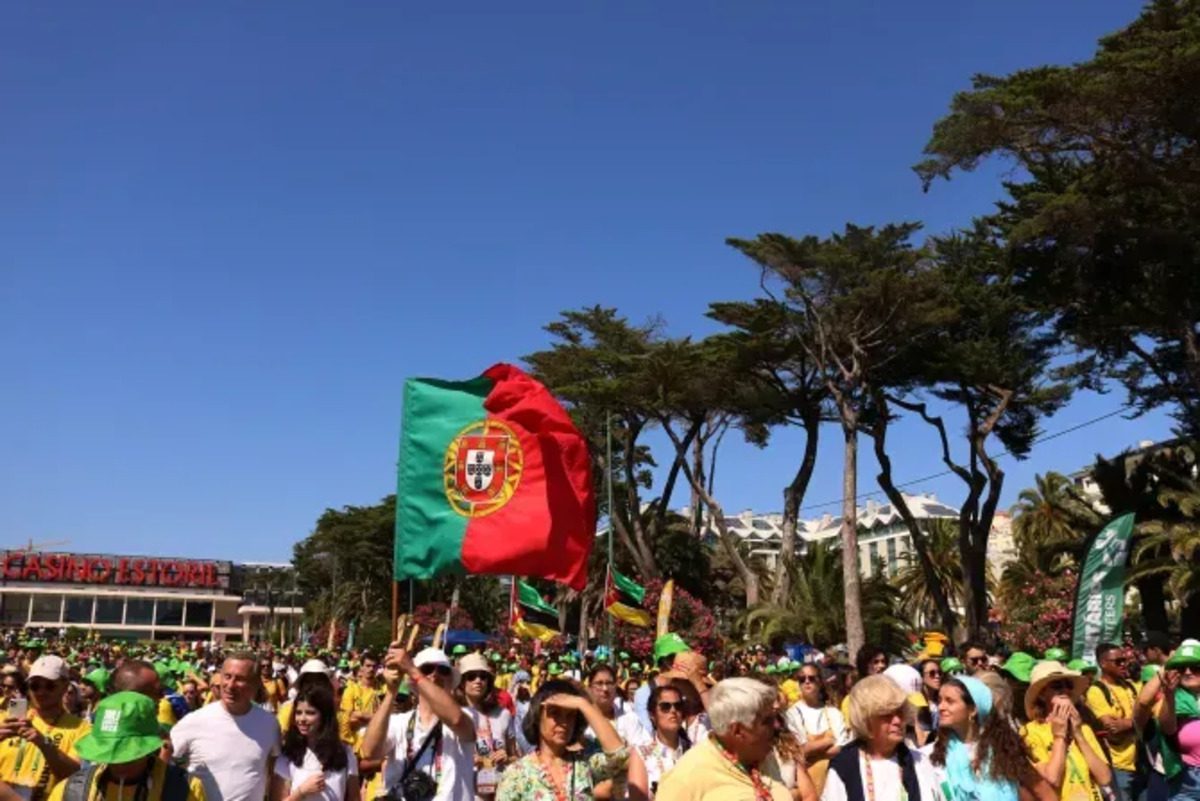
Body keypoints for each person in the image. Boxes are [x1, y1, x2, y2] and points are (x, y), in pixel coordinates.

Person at [361, 646, 475, 801]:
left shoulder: (468, 715)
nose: (435, 674)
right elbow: (369, 752)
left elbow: (456, 720)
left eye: (443, 670)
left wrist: (412, 670)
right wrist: (391, 693)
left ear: (451, 681)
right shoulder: (399, 722)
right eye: (427, 669)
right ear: (413, 683)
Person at [49, 691, 209, 801]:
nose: (119, 761)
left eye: (127, 753)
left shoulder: (183, 789)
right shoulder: (70, 792)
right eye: (110, 751)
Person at [654, 677, 792, 801]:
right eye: (767, 720)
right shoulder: (686, 777)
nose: (777, 725)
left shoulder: (764, 755)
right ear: (738, 731)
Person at [171, 652, 282, 801]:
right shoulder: (194, 721)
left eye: (240, 679)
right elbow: (165, 762)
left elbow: (272, 772)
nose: (230, 685)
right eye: (227, 676)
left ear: (255, 683)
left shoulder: (269, 723)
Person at [495, 679, 628, 801]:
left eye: (570, 715)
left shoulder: (585, 764)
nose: (564, 722)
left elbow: (620, 756)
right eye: (554, 713)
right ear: (537, 716)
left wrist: (583, 704)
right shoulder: (516, 774)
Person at [925, 675, 1053, 801]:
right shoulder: (934, 755)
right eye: (939, 700)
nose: (941, 707)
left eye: (949, 701)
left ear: (972, 710)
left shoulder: (1003, 749)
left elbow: (1046, 794)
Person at [820, 674, 933, 801]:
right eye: (886, 714)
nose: (897, 720)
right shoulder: (845, 765)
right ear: (866, 720)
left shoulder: (919, 761)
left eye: (900, 712)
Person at [0, 655, 90, 801]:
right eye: (35, 686)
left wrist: (44, 743)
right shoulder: (7, 718)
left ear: (65, 686)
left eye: (49, 685)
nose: (41, 692)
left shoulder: (82, 728)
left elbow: (74, 777)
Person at [1021, 661, 1112, 801]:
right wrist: (1060, 736)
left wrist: (1078, 734)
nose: (1065, 690)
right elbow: (1052, 779)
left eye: (1068, 685)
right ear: (1041, 694)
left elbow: (1105, 778)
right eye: (1057, 686)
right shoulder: (1030, 732)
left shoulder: (1084, 729)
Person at [271, 683, 359, 801]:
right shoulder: (288, 755)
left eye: (310, 713)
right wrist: (301, 792)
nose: (302, 719)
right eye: (298, 712)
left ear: (324, 716)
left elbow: (354, 798)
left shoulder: (345, 753)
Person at [1084, 643, 1141, 800]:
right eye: (1118, 661)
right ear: (1103, 664)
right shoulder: (1096, 691)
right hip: (1118, 765)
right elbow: (1113, 728)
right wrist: (1137, 722)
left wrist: (1128, 724)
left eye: (1125, 660)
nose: (1123, 664)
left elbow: (1148, 717)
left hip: (1141, 762)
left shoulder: (1131, 686)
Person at [784, 664, 849, 796]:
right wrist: (828, 741)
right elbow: (799, 752)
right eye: (802, 679)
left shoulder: (833, 712)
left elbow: (842, 748)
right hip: (807, 785)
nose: (807, 682)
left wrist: (811, 751)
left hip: (834, 783)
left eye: (812, 678)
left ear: (820, 682)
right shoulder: (792, 714)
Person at [458, 653, 514, 799]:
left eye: (483, 676)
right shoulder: (455, 715)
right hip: (464, 792)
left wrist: (506, 757)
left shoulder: (503, 714)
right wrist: (466, 758)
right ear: (462, 682)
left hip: (500, 792)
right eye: (471, 676)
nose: (478, 681)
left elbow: (516, 756)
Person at [1154, 640, 1200, 800]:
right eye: (1181, 668)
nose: (1187, 672)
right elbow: (1167, 728)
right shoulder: (1174, 698)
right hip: (1189, 782)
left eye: (1195, 667)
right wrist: (1169, 696)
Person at [638, 684, 691, 798]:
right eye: (665, 707)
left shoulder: (693, 751)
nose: (673, 710)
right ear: (652, 715)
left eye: (678, 706)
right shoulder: (641, 754)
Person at [586, 665, 645, 747]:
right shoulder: (581, 722)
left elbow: (641, 750)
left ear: (615, 687)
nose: (605, 688)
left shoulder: (630, 718)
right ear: (590, 688)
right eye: (599, 683)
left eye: (609, 683)